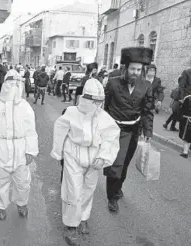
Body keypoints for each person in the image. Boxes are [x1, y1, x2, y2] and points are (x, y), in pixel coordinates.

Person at [51, 78, 120, 245]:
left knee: (88, 190)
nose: (98, 106)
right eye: (94, 102)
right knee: (73, 190)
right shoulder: (71, 112)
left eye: (100, 102)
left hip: (93, 159)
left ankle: (83, 217)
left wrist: (103, 157)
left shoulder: (104, 117)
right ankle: (71, 225)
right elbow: (60, 130)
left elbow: (111, 137)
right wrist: (58, 151)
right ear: (87, 99)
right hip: (73, 155)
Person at [0, 69, 39, 221]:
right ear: (4, 85)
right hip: (0, 148)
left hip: (21, 149)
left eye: (17, 84)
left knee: (23, 182)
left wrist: (31, 150)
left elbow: (31, 130)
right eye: (10, 84)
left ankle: (22, 203)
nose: (14, 88)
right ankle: (0, 206)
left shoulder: (25, 106)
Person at [104, 47, 154, 213]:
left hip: (133, 131)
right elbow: (104, 108)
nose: (135, 72)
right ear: (126, 68)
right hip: (114, 131)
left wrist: (147, 132)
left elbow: (147, 111)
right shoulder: (113, 83)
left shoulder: (146, 85)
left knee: (124, 165)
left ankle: (117, 188)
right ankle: (111, 197)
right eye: (132, 69)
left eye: (139, 70)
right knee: (115, 165)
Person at [178, 86, 191, 158]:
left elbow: (182, 109)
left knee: (186, 137)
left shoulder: (187, 98)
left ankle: (185, 152)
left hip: (187, 120)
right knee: (189, 138)